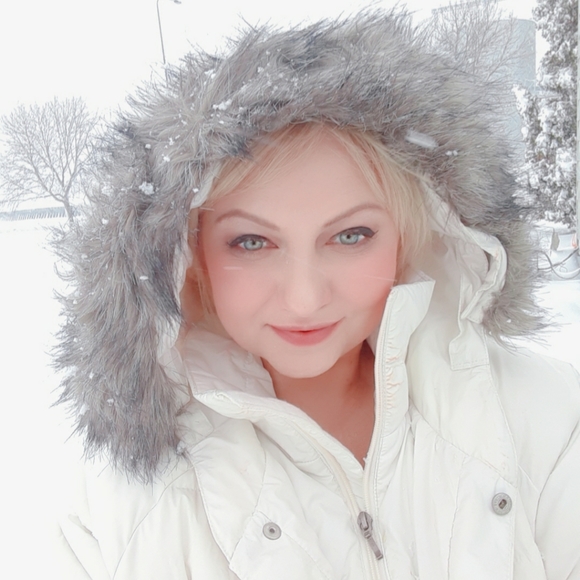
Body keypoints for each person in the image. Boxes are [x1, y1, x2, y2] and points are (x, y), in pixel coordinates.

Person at [54, 11, 580, 579]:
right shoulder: (123, 507)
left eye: (350, 236)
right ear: (192, 257)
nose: (304, 299)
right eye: (251, 242)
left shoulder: (544, 420)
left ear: (411, 235)